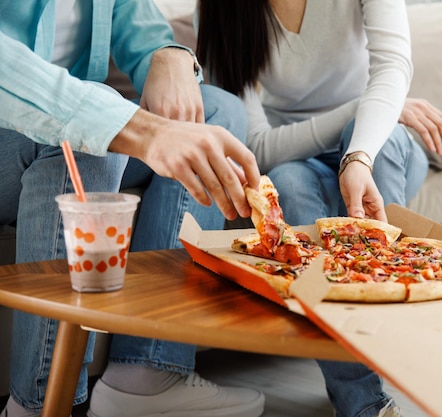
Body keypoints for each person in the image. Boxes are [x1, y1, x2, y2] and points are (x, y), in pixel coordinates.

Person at [0, 1, 264, 416]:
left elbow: (136, 21)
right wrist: (131, 127)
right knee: (94, 132)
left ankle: (145, 375)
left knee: (216, 110)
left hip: (63, 140)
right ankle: (40, 405)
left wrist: (168, 56)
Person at [196, 1, 442, 416]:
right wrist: (356, 106)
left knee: (374, 143)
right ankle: (365, 402)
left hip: (376, 138)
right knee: (290, 185)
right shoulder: (220, 9)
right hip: (298, 152)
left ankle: (404, 341)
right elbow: (258, 145)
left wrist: (359, 153)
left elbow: (392, 69)